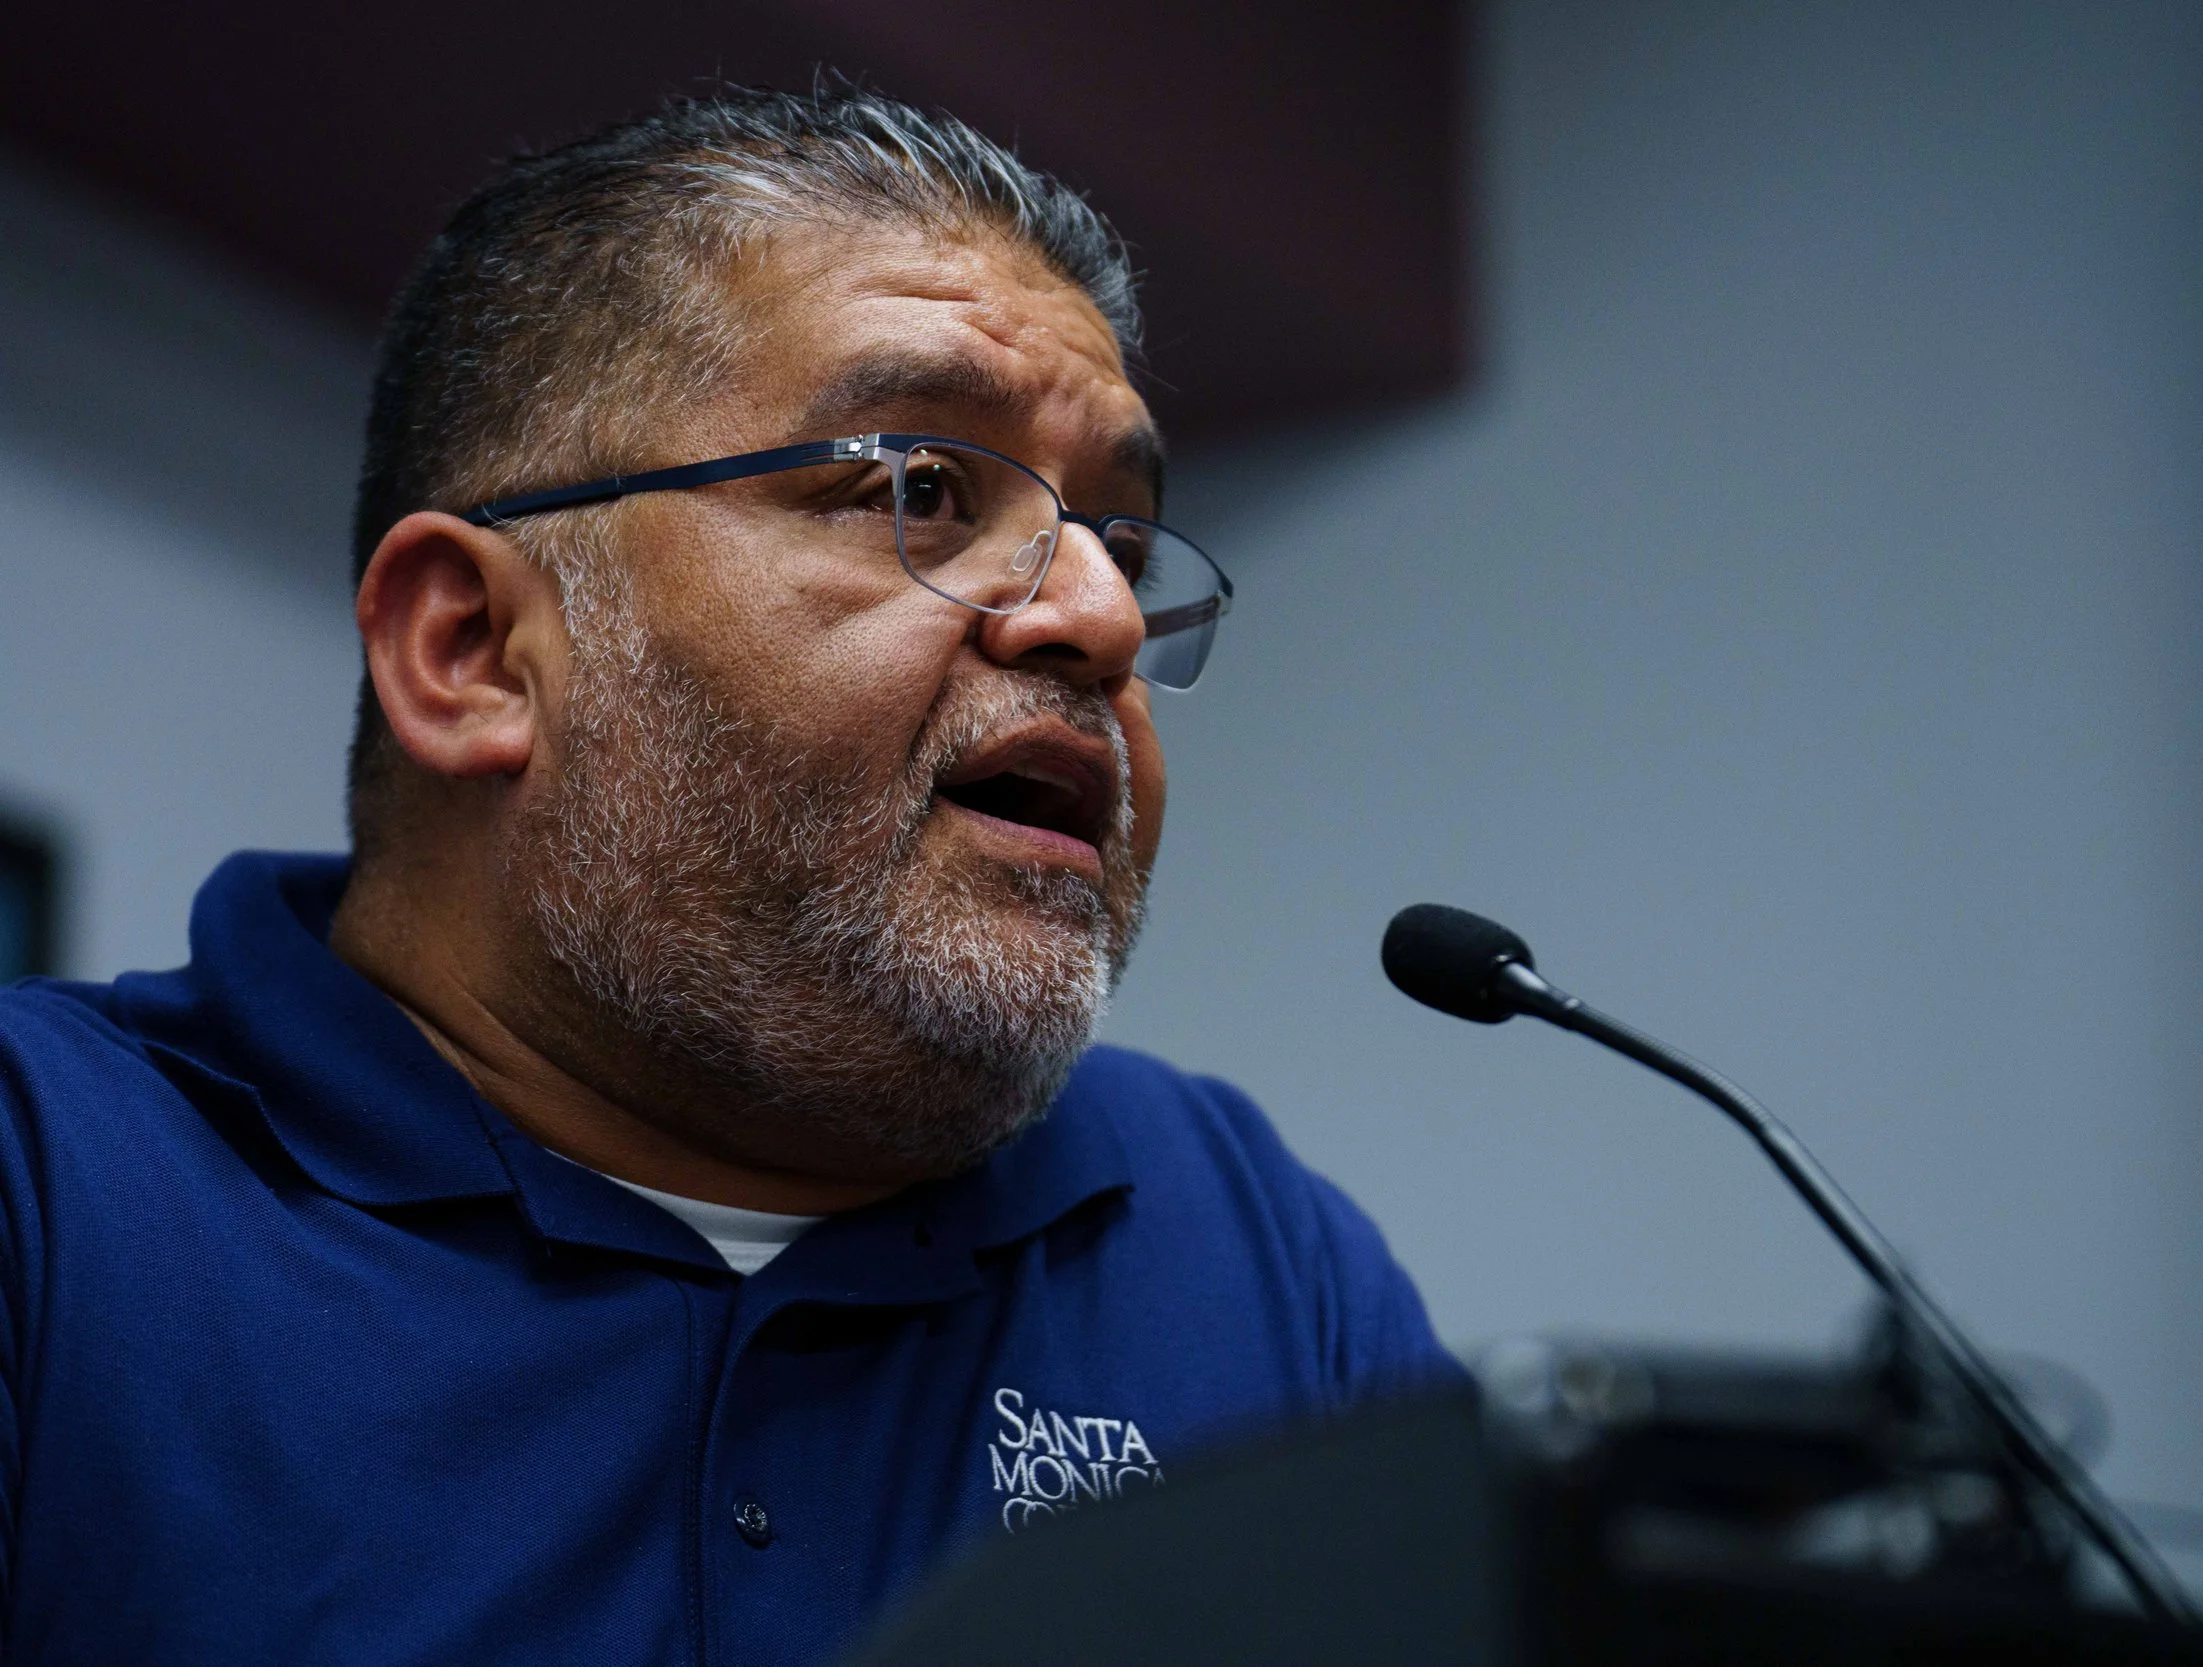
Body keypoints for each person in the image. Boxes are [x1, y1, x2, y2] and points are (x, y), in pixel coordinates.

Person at [0, 84, 1456, 1663]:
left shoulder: (1256, 1262)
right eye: (916, 488)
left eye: (1118, 534)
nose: (1098, 615)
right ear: (475, 650)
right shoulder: (50, 1197)